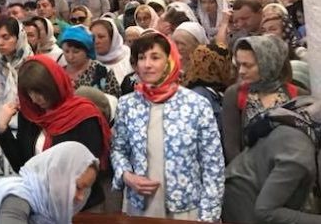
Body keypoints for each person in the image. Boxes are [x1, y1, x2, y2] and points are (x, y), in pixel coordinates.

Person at [111, 32, 224, 221]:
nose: (147, 64)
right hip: (141, 208)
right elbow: (118, 150)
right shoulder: (127, 104)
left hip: (187, 210)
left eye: (155, 57)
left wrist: (208, 216)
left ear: (169, 61)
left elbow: (213, 165)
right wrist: (126, 175)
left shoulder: (196, 104)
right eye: (141, 58)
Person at [0, 56, 111, 210]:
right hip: (44, 205)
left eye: (40, 91)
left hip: (82, 205)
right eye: (30, 93)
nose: (36, 99)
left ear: (55, 84)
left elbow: (90, 169)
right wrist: (3, 128)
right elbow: (22, 165)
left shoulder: (83, 115)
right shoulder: (30, 115)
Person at [223, 96, 321, 223]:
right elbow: (266, 212)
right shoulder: (298, 156)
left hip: (245, 187)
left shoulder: (301, 116)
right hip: (243, 203)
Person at [0, 141, 99, 224]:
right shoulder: (18, 197)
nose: (81, 197)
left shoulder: (45, 204)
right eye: (78, 187)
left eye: (85, 190)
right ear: (59, 178)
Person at [222, 35, 305, 164]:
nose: (241, 71)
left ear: (267, 64)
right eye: (239, 65)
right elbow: (231, 146)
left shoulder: (296, 95)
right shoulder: (235, 94)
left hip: (290, 171)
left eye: (248, 65)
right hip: (249, 174)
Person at [0, 17, 32, 177]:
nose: (0, 43)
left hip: (25, 135)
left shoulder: (32, 64)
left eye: (6, 37)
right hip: (0, 135)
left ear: (19, 38)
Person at [60, 26, 120, 97]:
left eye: (76, 52)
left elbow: (113, 100)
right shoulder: (59, 73)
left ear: (87, 51)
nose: (70, 57)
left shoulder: (102, 72)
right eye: (66, 51)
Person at [90, 18, 132, 85]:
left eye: (101, 37)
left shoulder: (129, 58)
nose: (96, 41)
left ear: (113, 38)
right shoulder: (88, 62)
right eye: (92, 37)